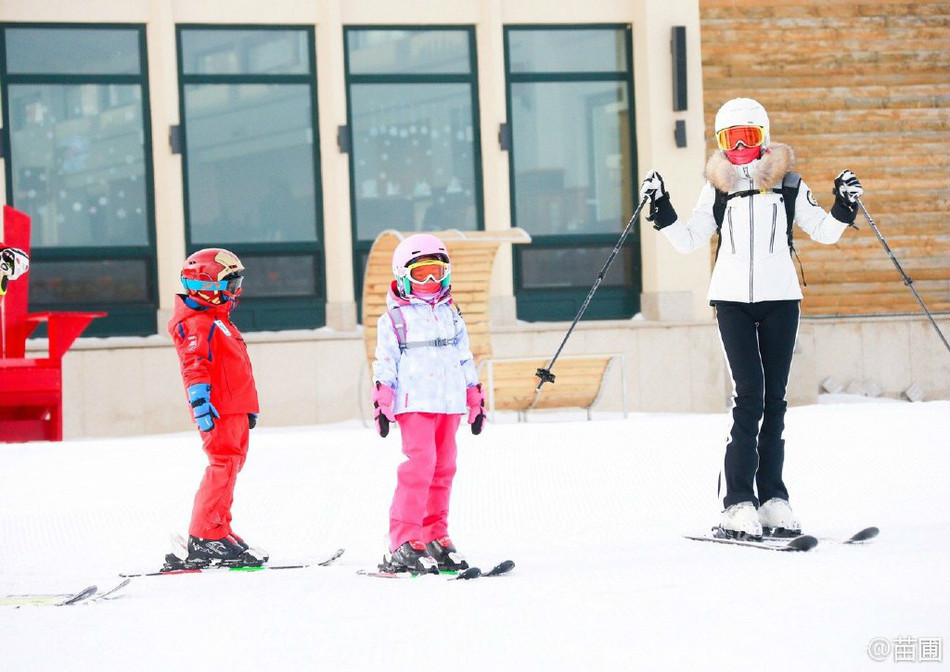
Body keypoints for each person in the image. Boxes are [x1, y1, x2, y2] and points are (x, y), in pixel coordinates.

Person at [639, 97, 863, 540]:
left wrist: (845, 204)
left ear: (763, 139)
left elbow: (824, 231)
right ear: (721, 144)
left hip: (781, 300)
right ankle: (737, 503)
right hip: (732, 303)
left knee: (775, 399)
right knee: (751, 395)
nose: (740, 147)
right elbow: (688, 240)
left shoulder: (789, 185)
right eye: (730, 139)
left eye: (749, 138)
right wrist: (661, 207)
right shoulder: (718, 189)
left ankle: (773, 499)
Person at [372, 233, 486, 573]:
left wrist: (474, 396)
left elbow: (464, 357)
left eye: (437, 271)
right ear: (404, 275)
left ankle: (435, 536)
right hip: (415, 402)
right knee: (419, 469)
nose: (431, 281)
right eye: (422, 274)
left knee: (443, 469)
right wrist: (382, 399)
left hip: (449, 403)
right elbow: (385, 362)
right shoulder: (394, 319)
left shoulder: (452, 314)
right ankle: (404, 541)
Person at [168, 248, 266, 567]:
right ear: (207, 285)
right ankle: (205, 535)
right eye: (231, 284)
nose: (237, 291)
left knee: (231, 466)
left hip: (234, 408)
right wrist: (201, 404)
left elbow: (235, 367)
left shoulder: (218, 319)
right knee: (222, 466)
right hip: (217, 410)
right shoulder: (197, 323)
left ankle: (219, 527)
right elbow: (194, 366)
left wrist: (247, 407)